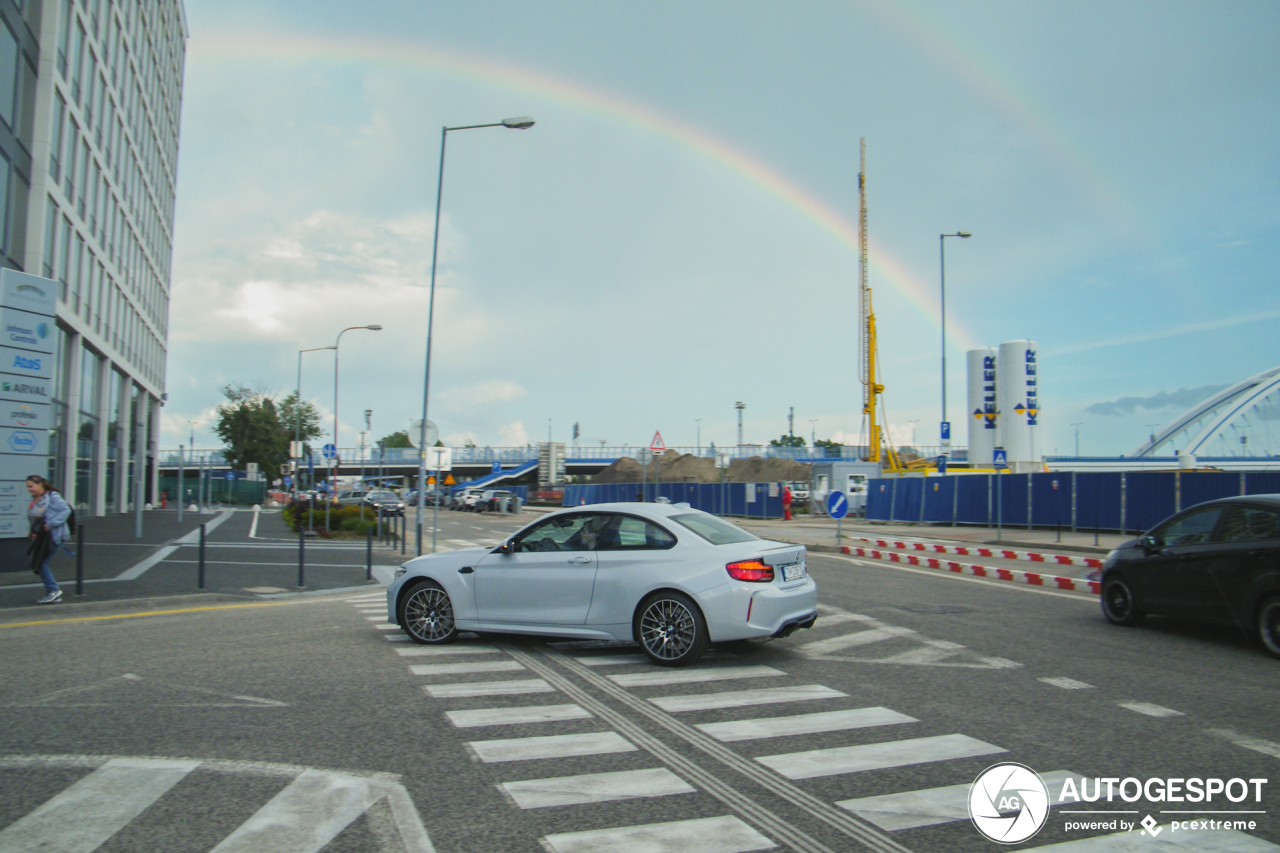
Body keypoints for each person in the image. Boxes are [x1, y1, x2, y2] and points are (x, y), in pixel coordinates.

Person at [26, 475, 71, 604]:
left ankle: (53, 590)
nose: (29, 489)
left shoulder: (52, 496)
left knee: (40, 562)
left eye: (31, 486)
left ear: (40, 484)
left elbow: (65, 510)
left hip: (53, 536)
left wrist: (50, 524)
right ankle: (52, 591)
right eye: (27, 487)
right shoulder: (35, 499)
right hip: (41, 537)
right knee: (37, 561)